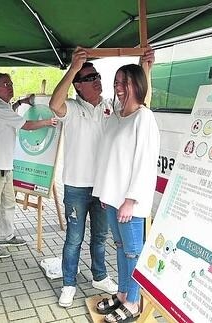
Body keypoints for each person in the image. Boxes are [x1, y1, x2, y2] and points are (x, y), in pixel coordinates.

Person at [49, 46, 154, 307]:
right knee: (74, 238)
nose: (96, 81)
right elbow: (54, 104)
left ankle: (99, 275)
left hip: (106, 190)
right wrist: (73, 67)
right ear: (78, 86)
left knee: (101, 237)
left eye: (96, 76)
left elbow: (139, 102)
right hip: (76, 186)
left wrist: (146, 71)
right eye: (88, 78)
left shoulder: (111, 108)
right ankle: (69, 283)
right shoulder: (72, 109)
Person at [92, 64, 160, 322]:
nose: (118, 87)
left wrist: (130, 201)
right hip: (111, 199)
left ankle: (133, 301)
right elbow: (108, 157)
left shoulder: (144, 118)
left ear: (137, 84)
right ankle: (122, 293)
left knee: (133, 252)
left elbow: (145, 163)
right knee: (120, 248)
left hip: (129, 203)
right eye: (117, 82)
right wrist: (103, 193)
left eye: (124, 82)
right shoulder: (116, 115)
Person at [0, 73, 57, 258]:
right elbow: (26, 125)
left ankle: (7, 235)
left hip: (4, 165)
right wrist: (48, 121)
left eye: (11, 83)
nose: (10, 86)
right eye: (5, 84)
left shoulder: (2, 106)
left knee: (8, 203)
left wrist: (21, 102)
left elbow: (11, 111)